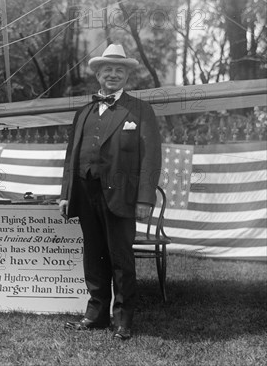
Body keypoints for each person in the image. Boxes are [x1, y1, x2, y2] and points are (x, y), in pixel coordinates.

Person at [59, 44, 162, 340]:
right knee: (93, 256)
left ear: (127, 75)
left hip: (122, 197)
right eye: (107, 70)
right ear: (98, 75)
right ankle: (96, 314)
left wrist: (145, 199)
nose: (113, 75)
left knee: (120, 258)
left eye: (119, 70)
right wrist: (66, 194)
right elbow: (71, 156)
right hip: (86, 193)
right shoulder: (84, 112)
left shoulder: (141, 110)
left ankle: (123, 320)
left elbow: (152, 158)